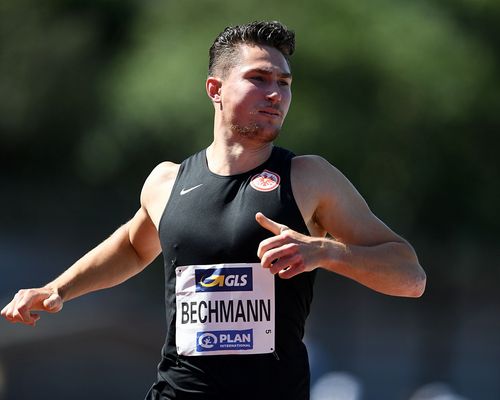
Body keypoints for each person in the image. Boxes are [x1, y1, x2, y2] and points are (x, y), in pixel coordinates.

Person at [1, 21, 426, 399]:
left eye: (285, 82)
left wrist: (324, 251)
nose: (276, 93)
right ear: (215, 89)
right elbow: (132, 248)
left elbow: (411, 277)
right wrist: (58, 289)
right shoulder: (167, 181)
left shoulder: (309, 177)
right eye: (259, 78)